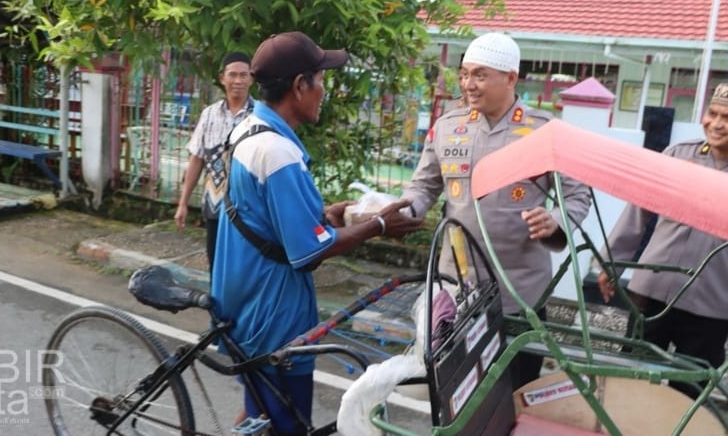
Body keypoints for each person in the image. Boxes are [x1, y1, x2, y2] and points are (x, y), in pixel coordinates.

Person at [210, 32, 423, 435]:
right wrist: (378, 225)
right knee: (286, 422)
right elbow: (308, 252)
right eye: (320, 80)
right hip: (272, 315)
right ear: (299, 86)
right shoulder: (276, 152)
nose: (324, 90)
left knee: (262, 410)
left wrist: (325, 214)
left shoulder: (249, 129)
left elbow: (262, 215)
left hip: (244, 298)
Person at [401, 32, 591, 389]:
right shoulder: (447, 127)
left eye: (480, 75)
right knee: (456, 392)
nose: (468, 85)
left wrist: (555, 221)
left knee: (515, 389)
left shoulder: (544, 132)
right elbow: (423, 187)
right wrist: (400, 211)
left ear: (511, 78)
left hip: (520, 293)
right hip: (457, 289)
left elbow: (578, 195)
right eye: (464, 74)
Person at [597, 84, 728, 398]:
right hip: (653, 290)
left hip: (711, 303)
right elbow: (637, 211)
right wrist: (610, 261)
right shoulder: (679, 155)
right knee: (632, 380)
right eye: (713, 113)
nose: (717, 123)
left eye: (727, 117)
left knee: (688, 391)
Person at [174, 52, 255, 273]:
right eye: (233, 75)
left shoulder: (259, 116)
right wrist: (183, 203)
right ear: (222, 78)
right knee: (216, 266)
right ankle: (218, 307)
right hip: (215, 207)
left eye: (243, 75)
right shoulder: (209, 114)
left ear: (251, 79)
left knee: (243, 268)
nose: (238, 80)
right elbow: (197, 159)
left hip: (248, 210)